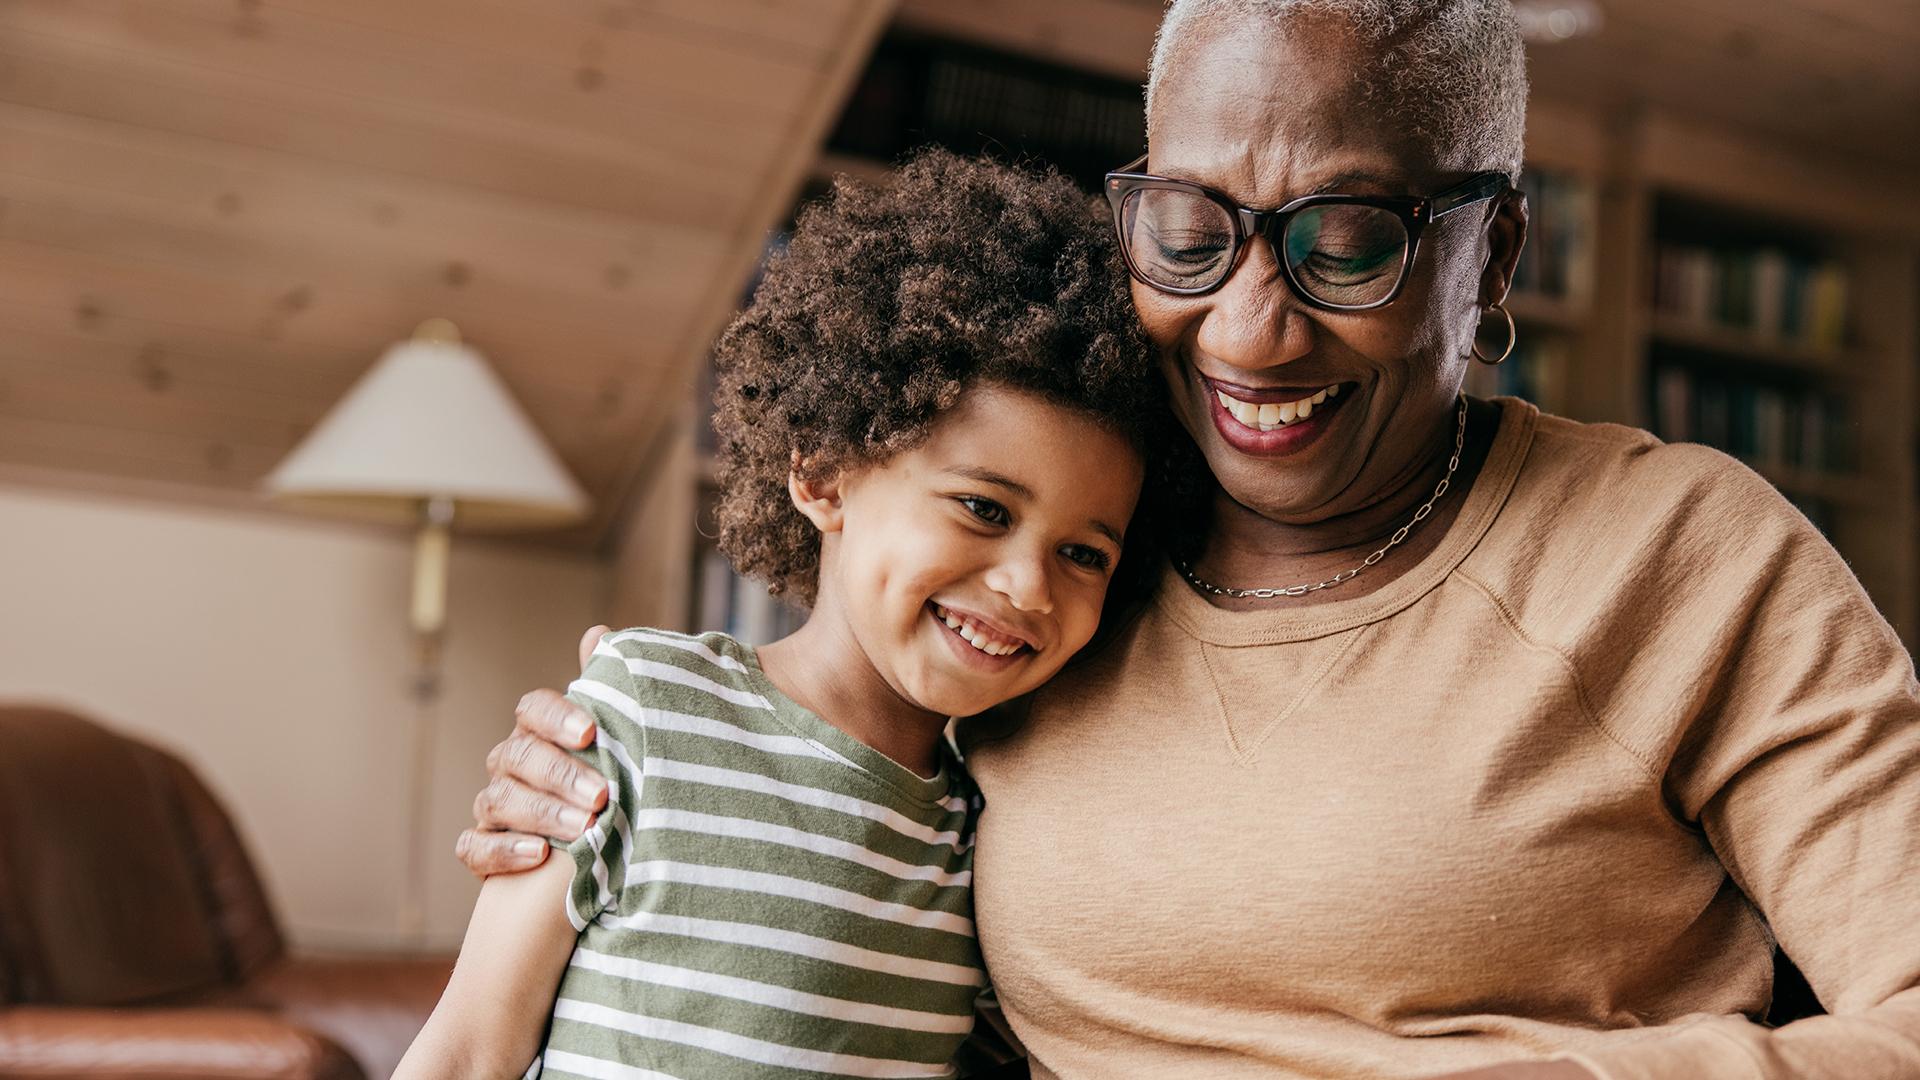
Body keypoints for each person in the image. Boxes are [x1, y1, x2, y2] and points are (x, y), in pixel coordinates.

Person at [456, 2, 1920, 1078]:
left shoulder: (1682, 555)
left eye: (1349, 240)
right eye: (1189, 230)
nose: (1251, 330)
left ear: (1497, 251)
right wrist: (619, 759)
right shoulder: (1074, 570)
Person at [397, 151, 1160, 1078]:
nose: (1030, 587)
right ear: (823, 472)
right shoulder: (645, 710)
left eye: (1084, 553)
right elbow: (470, 1050)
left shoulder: (989, 835)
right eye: (983, 510)